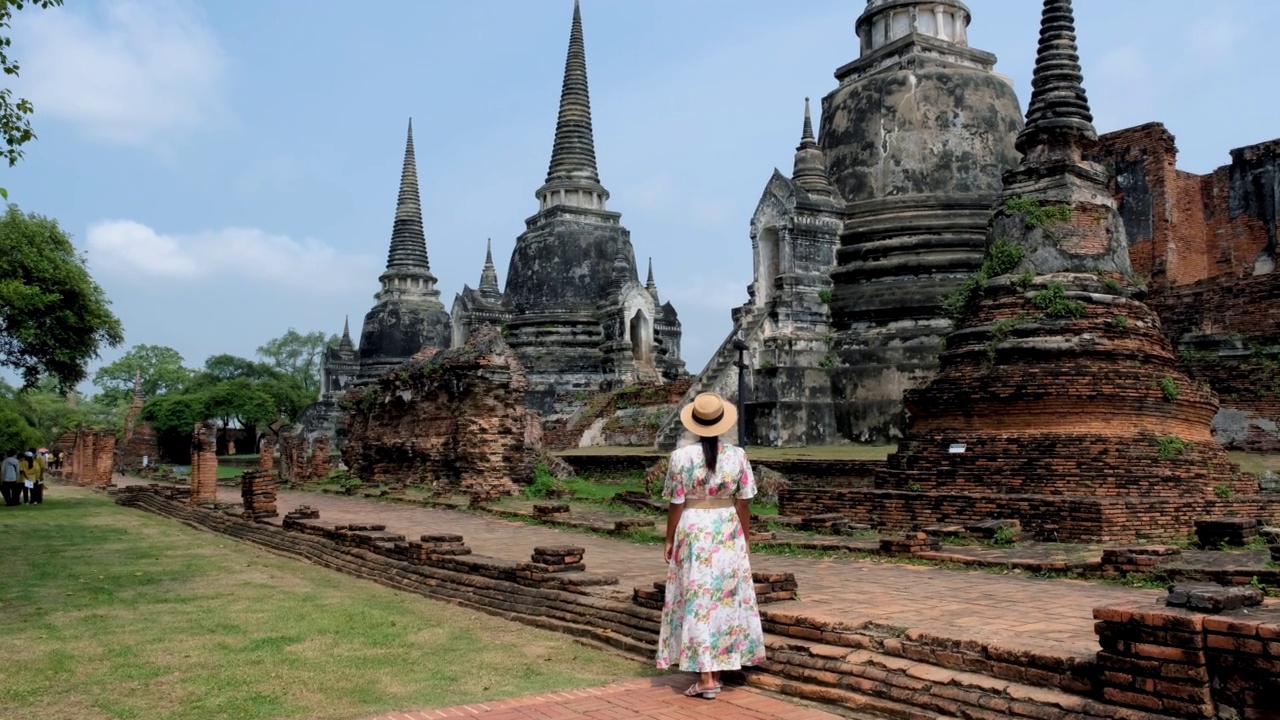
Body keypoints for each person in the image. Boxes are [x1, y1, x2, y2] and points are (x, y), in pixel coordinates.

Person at [655, 392, 766, 699]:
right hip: (726, 526)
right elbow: (744, 502)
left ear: (695, 425)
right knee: (724, 598)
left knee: (697, 597)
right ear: (721, 423)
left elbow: (676, 503)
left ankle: (707, 676)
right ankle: (714, 671)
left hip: (693, 527)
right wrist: (745, 535)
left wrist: (668, 537)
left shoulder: (681, 457)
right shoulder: (737, 455)